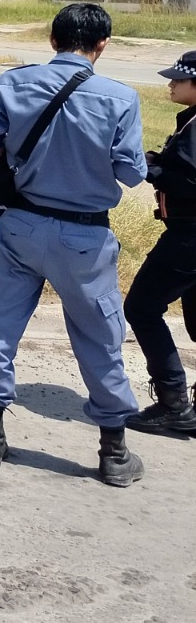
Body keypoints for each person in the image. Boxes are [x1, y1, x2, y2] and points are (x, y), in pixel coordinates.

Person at [0, 3, 149, 487]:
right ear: (103, 45)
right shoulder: (121, 97)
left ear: (52, 39)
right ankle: (113, 451)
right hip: (83, 236)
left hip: (21, 225)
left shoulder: (12, 82)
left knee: (0, 326)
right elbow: (132, 173)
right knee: (99, 338)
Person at [123, 50, 196, 435]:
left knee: (141, 307)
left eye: (178, 79)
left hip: (189, 236)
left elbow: (189, 181)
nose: (170, 83)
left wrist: (148, 168)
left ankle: (174, 403)